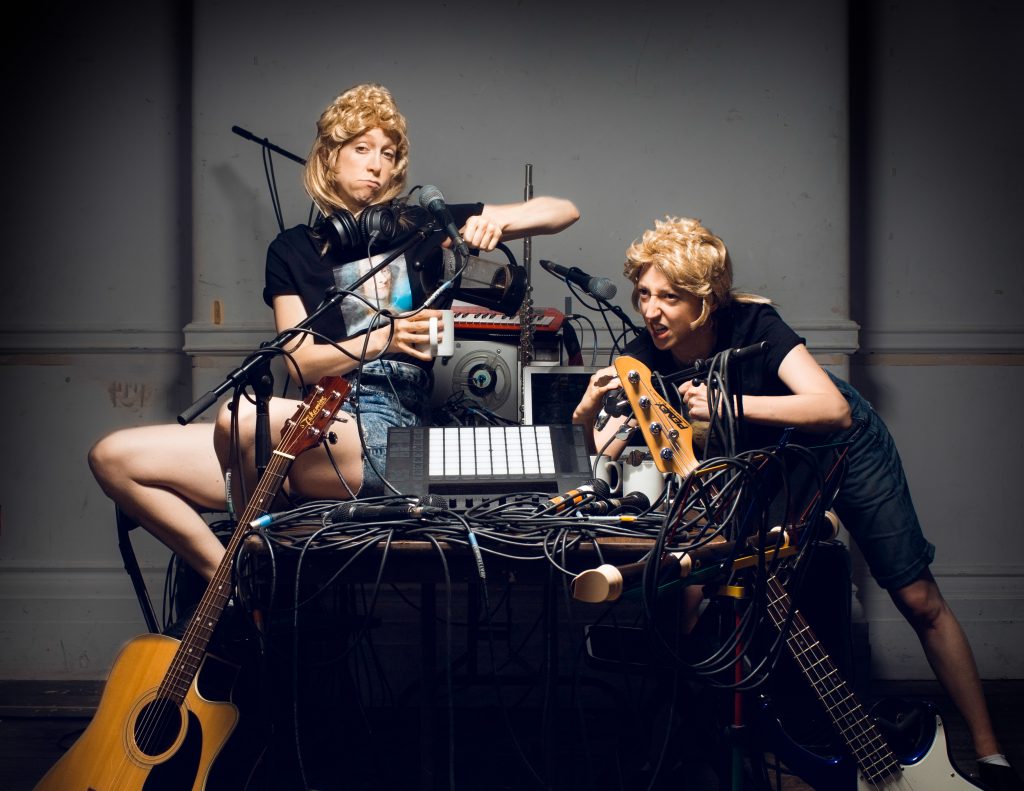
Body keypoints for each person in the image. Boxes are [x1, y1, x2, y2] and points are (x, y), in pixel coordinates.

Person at [571, 216, 1022, 791]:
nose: (651, 310)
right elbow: (604, 462)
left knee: (916, 597)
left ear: (704, 301)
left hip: (841, 442)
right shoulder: (645, 357)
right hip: (764, 463)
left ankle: (990, 754)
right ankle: (697, 746)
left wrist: (730, 404)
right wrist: (586, 419)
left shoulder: (756, 325)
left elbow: (829, 409)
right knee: (690, 593)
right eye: (643, 295)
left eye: (669, 297)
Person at [89, 83, 579, 588]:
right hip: (303, 431)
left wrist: (495, 219)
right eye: (362, 149)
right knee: (114, 457)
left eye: (388, 155)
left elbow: (563, 211)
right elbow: (299, 364)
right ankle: (227, 575)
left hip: (383, 435)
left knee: (241, 419)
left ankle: (260, 539)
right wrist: (383, 339)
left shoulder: (421, 227)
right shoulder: (291, 250)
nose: (377, 165)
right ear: (329, 158)